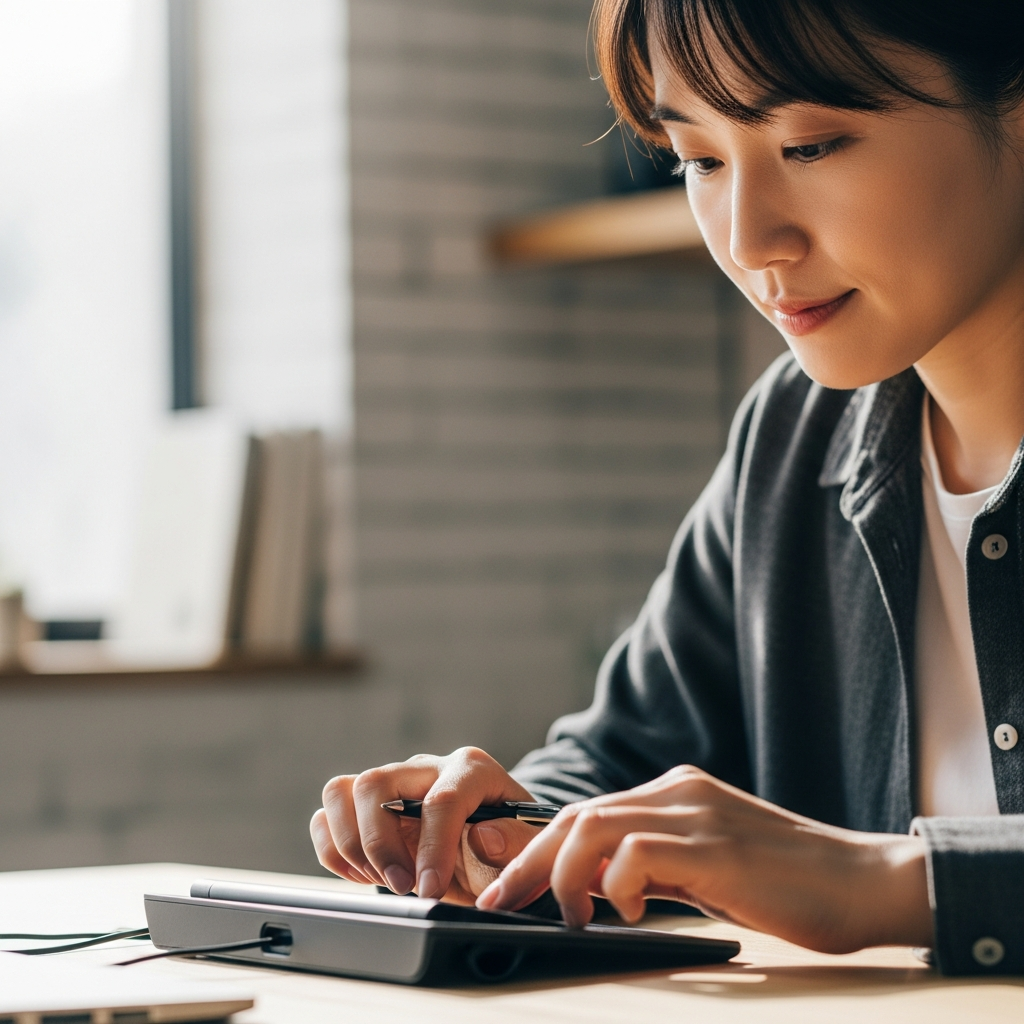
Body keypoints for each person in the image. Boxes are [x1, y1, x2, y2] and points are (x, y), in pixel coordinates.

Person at [310, 0, 1024, 976]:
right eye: (700, 160)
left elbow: (822, 870)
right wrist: (495, 823)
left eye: (811, 146)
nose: (748, 238)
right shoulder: (791, 434)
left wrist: (884, 882)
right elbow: (628, 764)